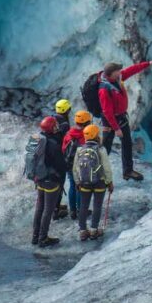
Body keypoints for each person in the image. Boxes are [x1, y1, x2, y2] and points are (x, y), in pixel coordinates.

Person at [98, 59, 152, 181]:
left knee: (126, 143)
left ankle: (128, 171)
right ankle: (97, 172)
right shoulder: (104, 89)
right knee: (106, 146)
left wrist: (148, 64)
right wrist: (116, 128)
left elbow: (131, 70)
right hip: (110, 121)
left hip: (121, 117)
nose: (120, 71)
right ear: (112, 73)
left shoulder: (117, 79)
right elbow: (107, 111)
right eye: (117, 70)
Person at [32, 116, 68, 248]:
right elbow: (60, 164)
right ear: (51, 128)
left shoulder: (38, 139)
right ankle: (43, 238)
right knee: (48, 209)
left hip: (40, 178)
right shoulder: (53, 145)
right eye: (55, 126)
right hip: (51, 180)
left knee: (39, 208)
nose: (57, 127)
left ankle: (35, 237)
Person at [74, 124, 114, 241]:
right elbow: (106, 167)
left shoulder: (80, 149)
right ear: (96, 136)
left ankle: (82, 231)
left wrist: (77, 181)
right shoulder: (101, 149)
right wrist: (109, 182)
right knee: (97, 206)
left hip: (84, 182)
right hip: (99, 182)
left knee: (83, 206)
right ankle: (93, 230)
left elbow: (75, 168)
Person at [62, 110, 92, 220]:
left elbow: (63, 148)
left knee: (72, 186)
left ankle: (73, 211)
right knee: (80, 187)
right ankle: (81, 210)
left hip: (69, 165)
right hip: (80, 166)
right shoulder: (85, 136)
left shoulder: (69, 133)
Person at [52, 99, 72, 219]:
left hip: (51, 156)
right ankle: (56, 209)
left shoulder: (52, 119)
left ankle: (55, 206)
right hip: (59, 157)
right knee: (59, 183)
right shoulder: (64, 125)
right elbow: (66, 142)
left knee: (56, 184)